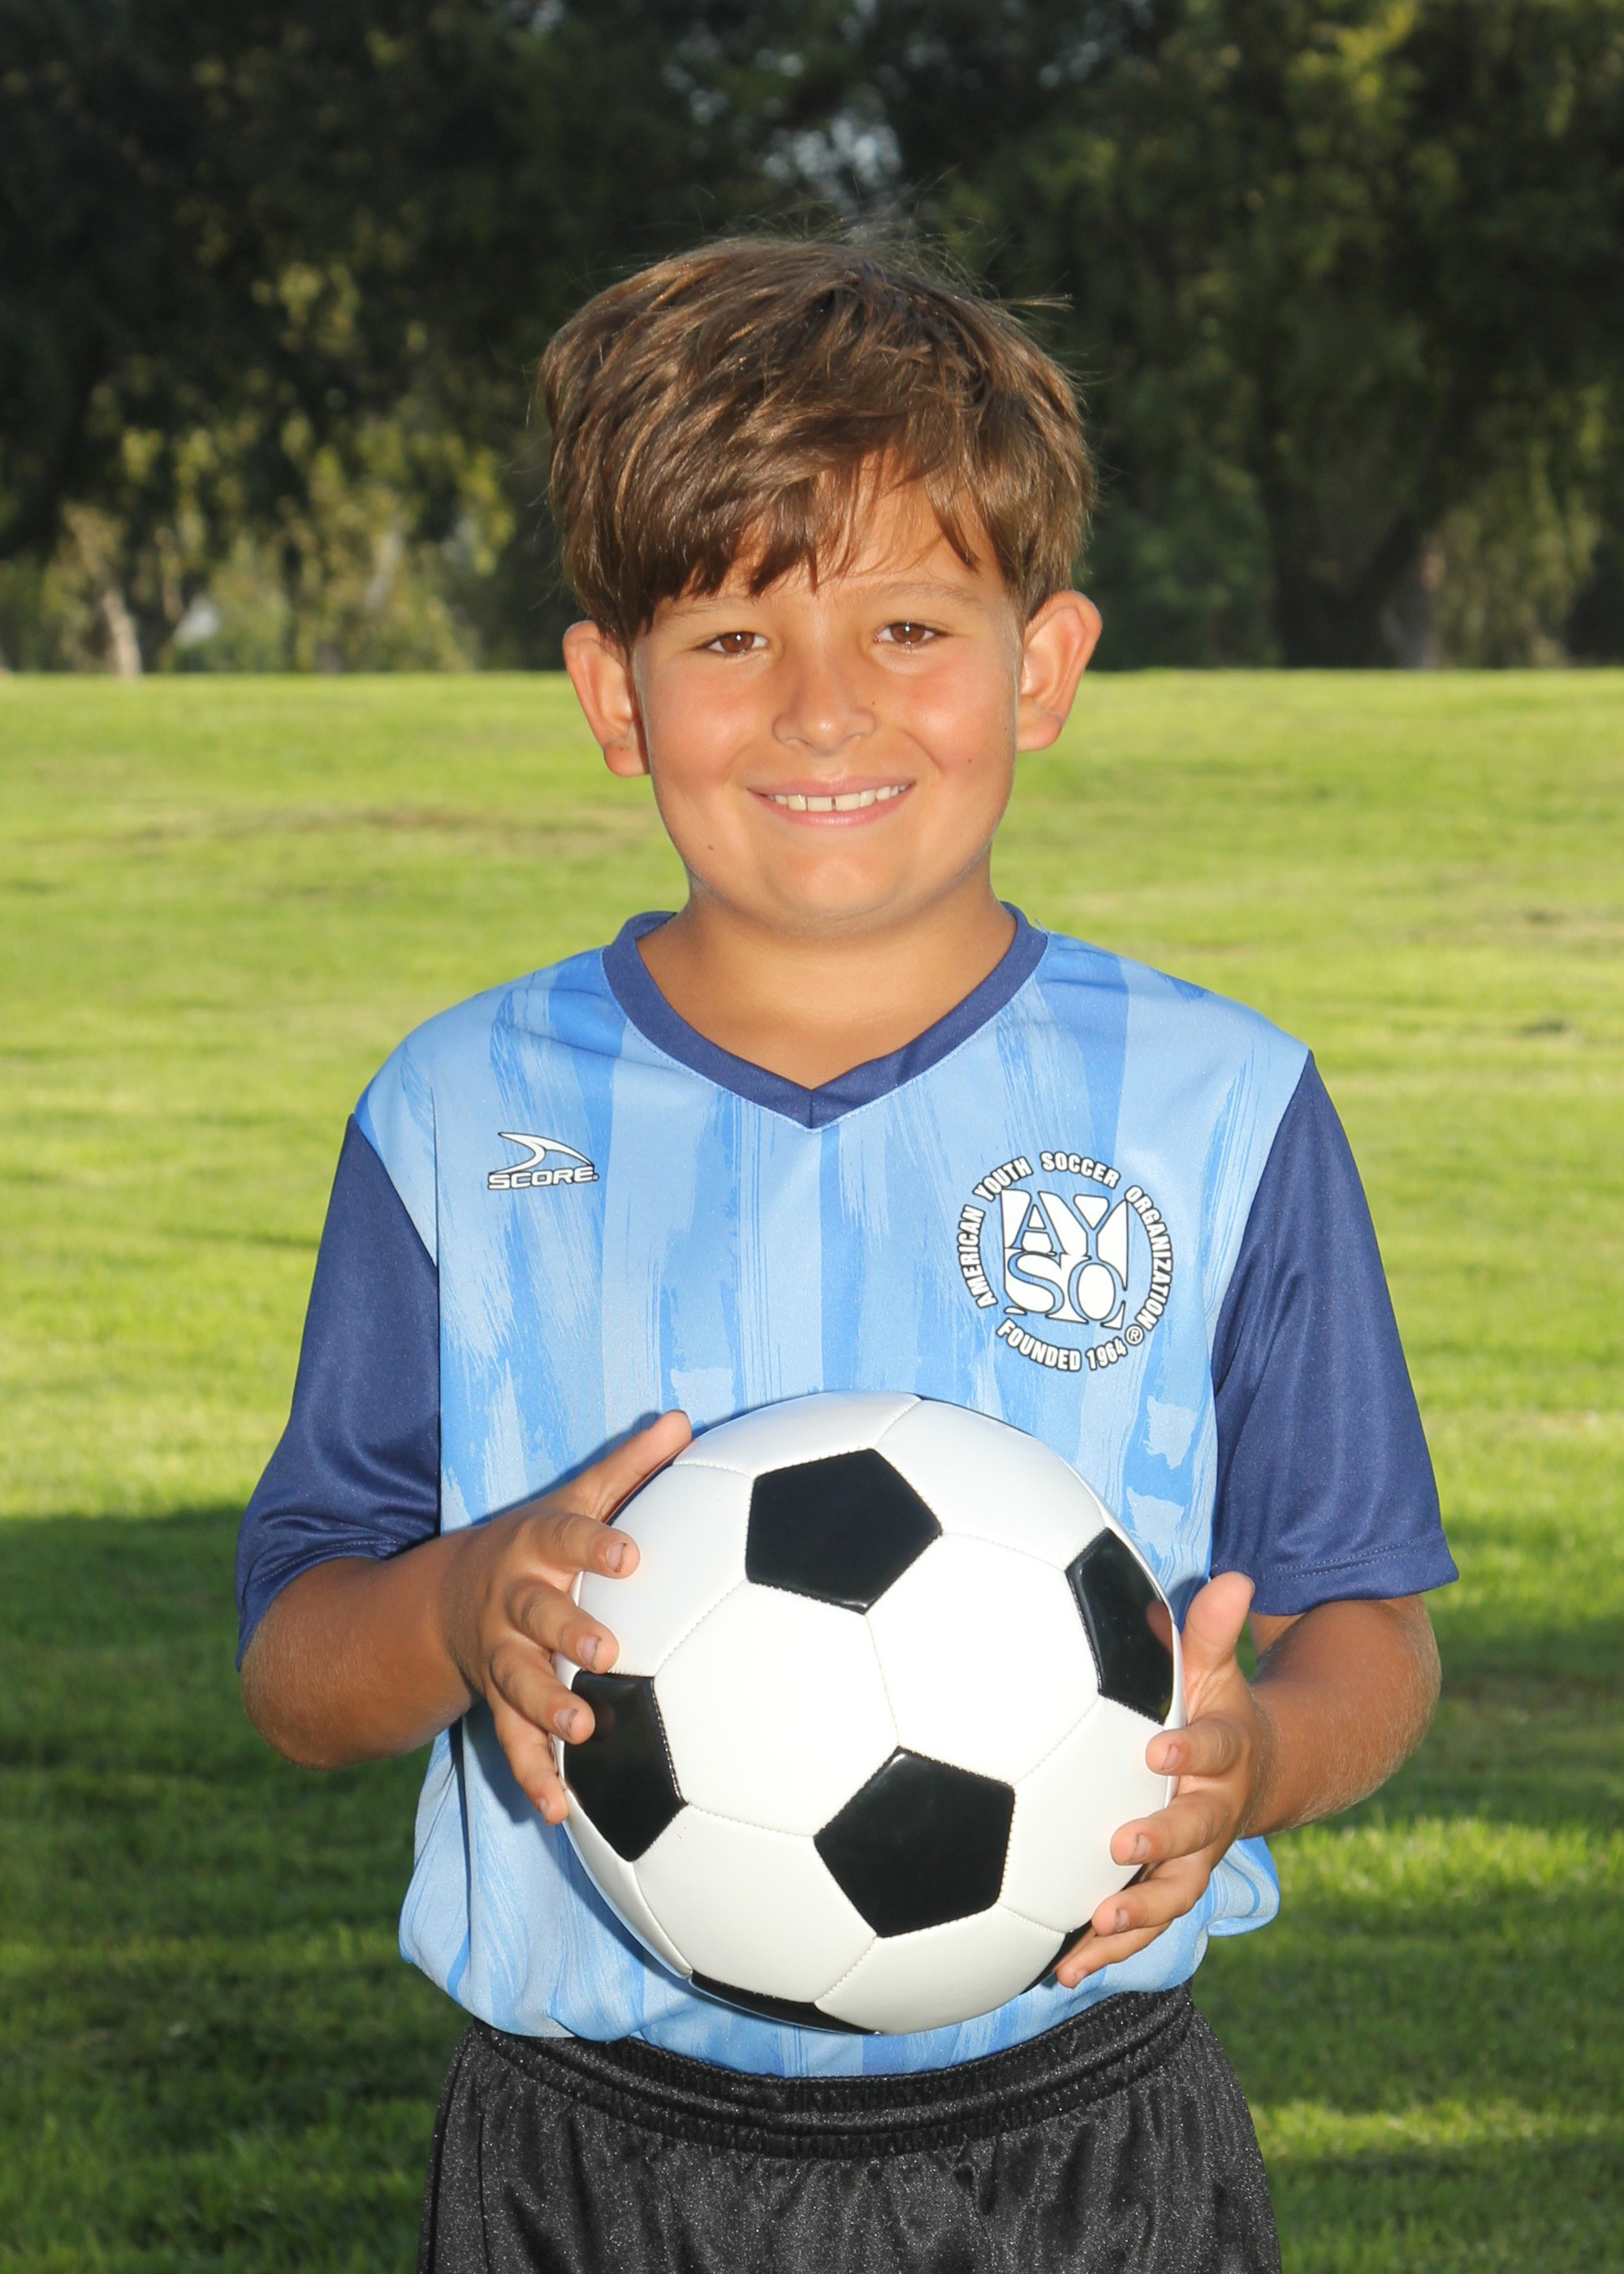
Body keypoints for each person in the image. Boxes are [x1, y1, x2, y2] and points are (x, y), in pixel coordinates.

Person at [236, 238, 1455, 2273]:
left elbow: (1368, 1626)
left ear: (1040, 666)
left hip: (1079, 2151)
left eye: (906, 624)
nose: (822, 707)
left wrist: (1256, 1764)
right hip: (587, 2159)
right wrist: (459, 1601)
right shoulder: (456, 1113)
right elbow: (297, 1665)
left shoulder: (1216, 1103)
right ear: (613, 692)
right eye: (730, 635)